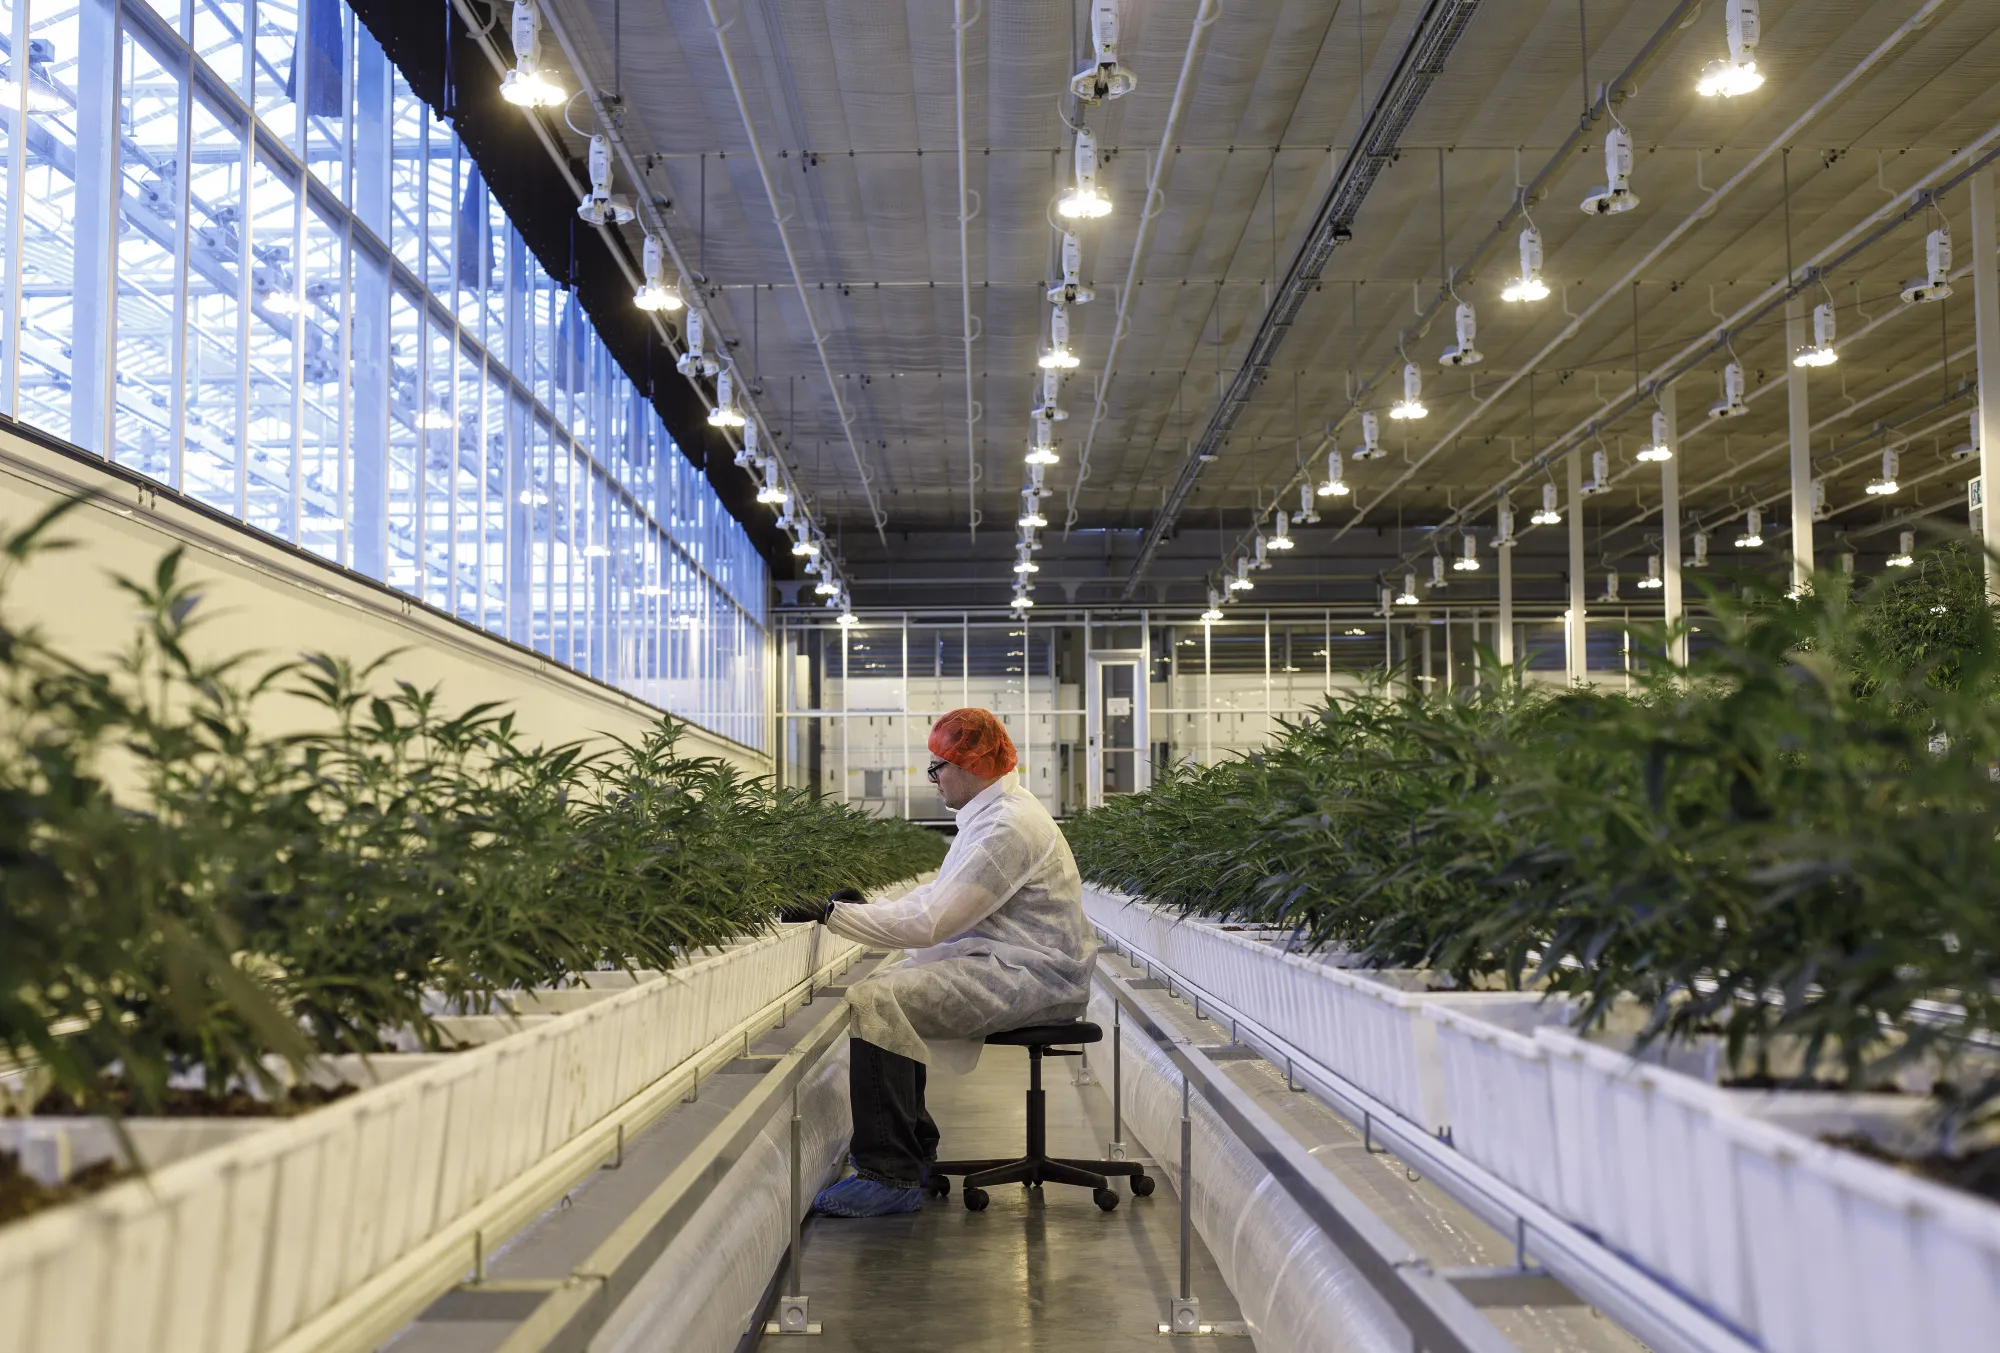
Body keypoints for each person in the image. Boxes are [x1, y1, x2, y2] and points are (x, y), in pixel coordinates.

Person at [787, 707, 1095, 1218]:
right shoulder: (992, 817)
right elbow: (934, 897)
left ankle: (890, 1173)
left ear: (969, 764)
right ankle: (914, 1152)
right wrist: (859, 909)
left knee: (876, 996)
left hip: (1033, 977)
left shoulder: (1006, 829)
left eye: (937, 768)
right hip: (1014, 964)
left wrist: (832, 916)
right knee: (890, 987)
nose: (932, 780)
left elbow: (932, 924)